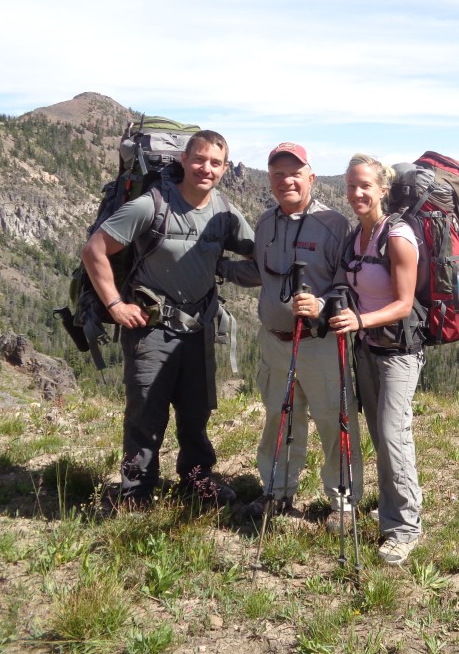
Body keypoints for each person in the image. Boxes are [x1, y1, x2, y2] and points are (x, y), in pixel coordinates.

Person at [80, 130, 255, 507]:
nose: (205, 168)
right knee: (146, 414)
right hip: (151, 330)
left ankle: (196, 480)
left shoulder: (224, 213)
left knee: (195, 414)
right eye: (199, 159)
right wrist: (114, 305)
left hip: (199, 329)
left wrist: (224, 266)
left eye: (215, 163)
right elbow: (94, 249)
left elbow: (259, 256)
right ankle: (136, 493)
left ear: (225, 169)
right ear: (183, 160)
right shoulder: (152, 204)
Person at [219, 142, 363, 518]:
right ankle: (276, 493)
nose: (287, 181)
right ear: (270, 181)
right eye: (278, 175)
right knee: (279, 420)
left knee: (335, 422)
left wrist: (320, 305)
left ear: (310, 178)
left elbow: (347, 286)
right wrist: (219, 269)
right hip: (276, 343)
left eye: (294, 174)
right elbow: (261, 273)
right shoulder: (266, 222)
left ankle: (343, 502)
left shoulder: (333, 225)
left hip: (320, 344)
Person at [329, 153, 425, 566]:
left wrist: (359, 319)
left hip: (398, 354)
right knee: (380, 435)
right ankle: (390, 509)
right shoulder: (357, 235)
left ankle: (404, 529)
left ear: (383, 189)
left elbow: (404, 304)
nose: (356, 193)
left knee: (392, 436)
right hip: (366, 349)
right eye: (351, 186)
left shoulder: (398, 236)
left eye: (365, 186)